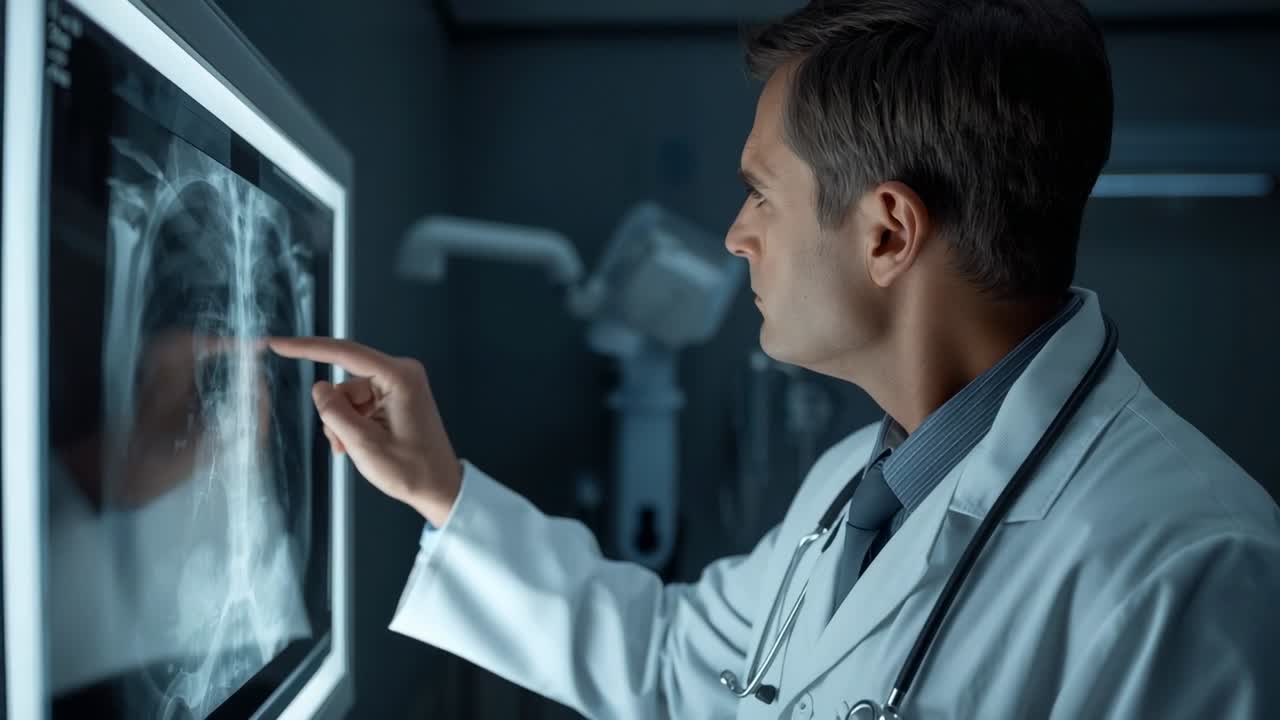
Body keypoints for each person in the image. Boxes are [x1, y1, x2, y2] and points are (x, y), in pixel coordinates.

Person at [268, 0, 1280, 717]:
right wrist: (440, 491)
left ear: (886, 232)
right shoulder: (854, 486)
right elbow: (674, 665)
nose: (733, 237)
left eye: (760, 193)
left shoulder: (1188, 571)